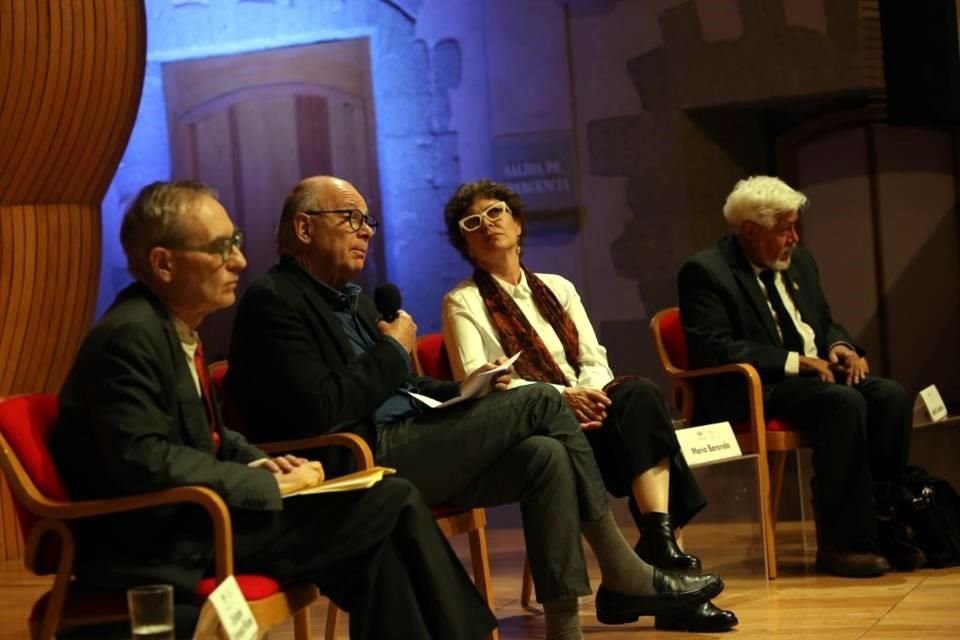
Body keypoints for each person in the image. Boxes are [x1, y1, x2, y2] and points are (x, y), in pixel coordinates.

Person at [226, 175, 723, 640]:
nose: (366, 232)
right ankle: (622, 569)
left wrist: (473, 388)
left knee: (544, 456)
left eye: (369, 221)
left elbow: (399, 384)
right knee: (539, 404)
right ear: (304, 227)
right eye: (351, 218)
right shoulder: (274, 301)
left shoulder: (350, 301)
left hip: (409, 433)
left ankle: (564, 626)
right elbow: (323, 409)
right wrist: (394, 351)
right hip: (358, 455)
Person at [49, 180, 499, 640]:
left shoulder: (171, 325)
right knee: (392, 501)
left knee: (383, 535)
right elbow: (148, 463)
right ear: (164, 263)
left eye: (237, 243)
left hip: (202, 516)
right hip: (165, 538)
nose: (240, 261)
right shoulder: (128, 338)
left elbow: (213, 434)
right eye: (220, 247)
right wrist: (266, 482)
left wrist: (256, 458)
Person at [440, 179, 736, 633]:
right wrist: (564, 400)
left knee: (638, 396)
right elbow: (480, 380)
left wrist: (593, 396)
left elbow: (593, 359)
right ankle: (661, 577)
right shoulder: (463, 301)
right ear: (466, 245)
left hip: (590, 409)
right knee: (639, 432)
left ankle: (656, 543)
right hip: (535, 427)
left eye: (496, 213)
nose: (487, 225)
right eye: (472, 223)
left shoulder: (559, 287)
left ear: (518, 224)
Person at [677, 175, 921, 577]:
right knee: (843, 403)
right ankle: (842, 544)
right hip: (757, 387)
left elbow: (823, 322)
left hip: (813, 378)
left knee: (890, 397)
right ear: (750, 231)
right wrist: (794, 361)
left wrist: (839, 347)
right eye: (784, 228)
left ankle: (886, 528)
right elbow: (713, 347)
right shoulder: (706, 272)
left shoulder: (800, 262)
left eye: (795, 225)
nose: (794, 237)